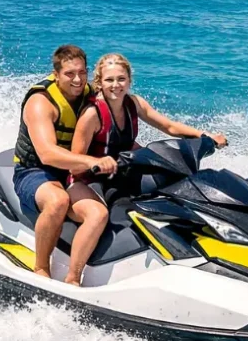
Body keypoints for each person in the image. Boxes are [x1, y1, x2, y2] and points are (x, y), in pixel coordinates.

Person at [68, 53, 228, 269]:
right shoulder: (92, 114)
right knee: (103, 217)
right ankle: (75, 276)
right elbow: (74, 163)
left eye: (121, 79)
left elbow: (169, 126)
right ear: (99, 83)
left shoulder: (134, 103)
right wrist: (97, 163)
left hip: (123, 171)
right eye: (109, 80)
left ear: (129, 80)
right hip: (91, 178)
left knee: (175, 182)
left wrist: (206, 137)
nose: (116, 85)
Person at [12, 45, 117, 285]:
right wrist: (92, 161)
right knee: (57, 201)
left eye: (82, 72)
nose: (78, 79)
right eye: (70, 74)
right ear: (56, 74)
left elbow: (127, 108)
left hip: (72, 172)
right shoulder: (41, 103)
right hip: (35, 171)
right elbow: (48, 154)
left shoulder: (89, 93)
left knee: (98, 213)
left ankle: (73, 278)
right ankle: (40, 269)